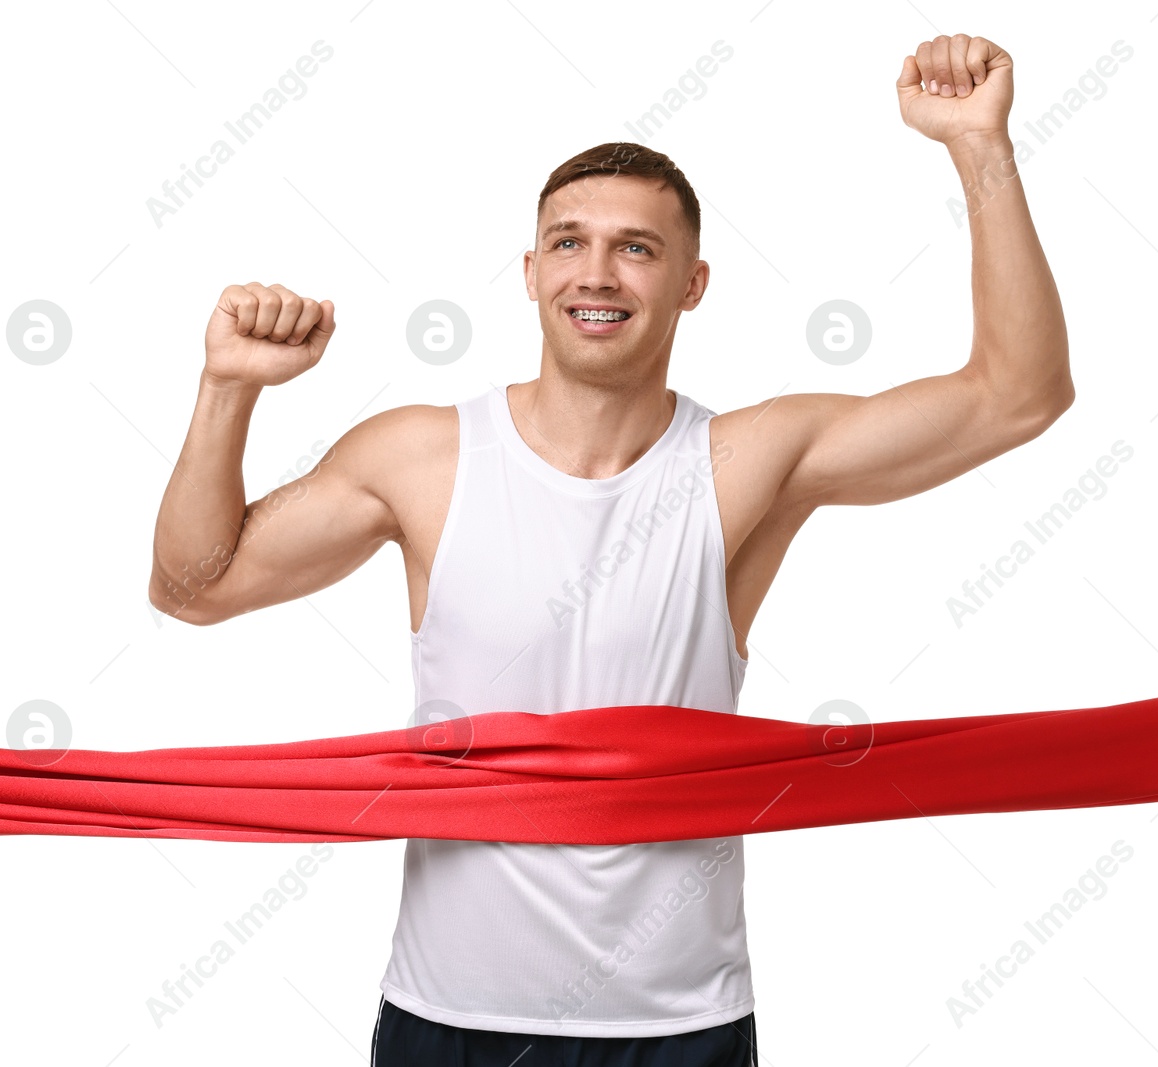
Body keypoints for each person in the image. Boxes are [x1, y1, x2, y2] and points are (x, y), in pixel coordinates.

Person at [147, 33, 1068, 1067]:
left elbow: (1017, 397)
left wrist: (977, 146)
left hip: (675, 1025)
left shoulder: (747, 460)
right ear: (531, 270)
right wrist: (227, 389)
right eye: (569, 242)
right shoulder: (421, 457)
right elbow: (194, 586)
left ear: (691, 282)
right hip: (449, 1015)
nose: (597, 272)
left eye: (636, 247)